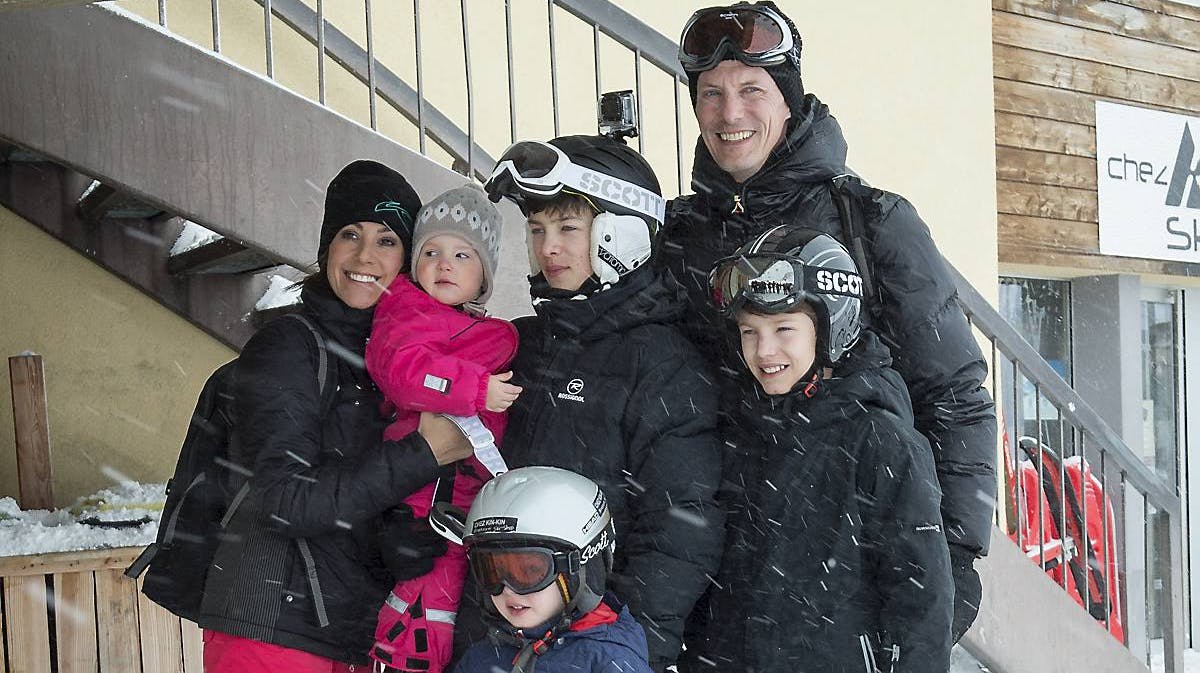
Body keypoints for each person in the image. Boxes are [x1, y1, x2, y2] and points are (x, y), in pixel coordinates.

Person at [659, 1, 996, 638]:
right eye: (711, 94)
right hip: (722, 573)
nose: (730, 115)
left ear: (790, 99)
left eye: (752, 90)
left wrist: (952, 553)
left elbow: (953, 393)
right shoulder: (681, 236)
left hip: (846, 568)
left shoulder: (873, 223)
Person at [197, 160, 474, 673]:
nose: (365, 255)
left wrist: (393, 542)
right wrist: (423, 453)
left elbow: (353, 494)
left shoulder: (390, 361)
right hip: (273, 633)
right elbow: (285, 500)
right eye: (351, 234)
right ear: (327, 248)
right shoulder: (289, 346)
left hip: (353, 635)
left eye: (387, 240)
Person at [472, 134, 724, 672]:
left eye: (568, 228)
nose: (548, 248)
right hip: (499, 636)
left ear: (621, 234)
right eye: (536, 230)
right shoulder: (527, 343)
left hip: (591, 647)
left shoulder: (663, 363)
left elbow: (680, 535)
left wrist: (621, 655)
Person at [682, 226, 953, 673]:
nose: (764, 350)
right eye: (749, 332)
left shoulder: (882, 442)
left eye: (784, 328)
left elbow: (921, 597)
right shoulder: (743, 427)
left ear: (832, 328)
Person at [365, 184, 520, 673]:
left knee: (455, 600)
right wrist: (476, 388)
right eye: (430, 252)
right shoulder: (406, 314)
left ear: (483, 278)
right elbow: (405, 374)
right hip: (423, 495)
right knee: (425, 599)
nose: (444, 264)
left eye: (461, 254)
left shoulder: (469, 326)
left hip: (463, 496)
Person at [449, 466, 654, 673]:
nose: (507, 589)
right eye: (491, 571)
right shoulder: (482, 657)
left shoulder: (608, 661)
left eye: (528, 571)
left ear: (579, 569)